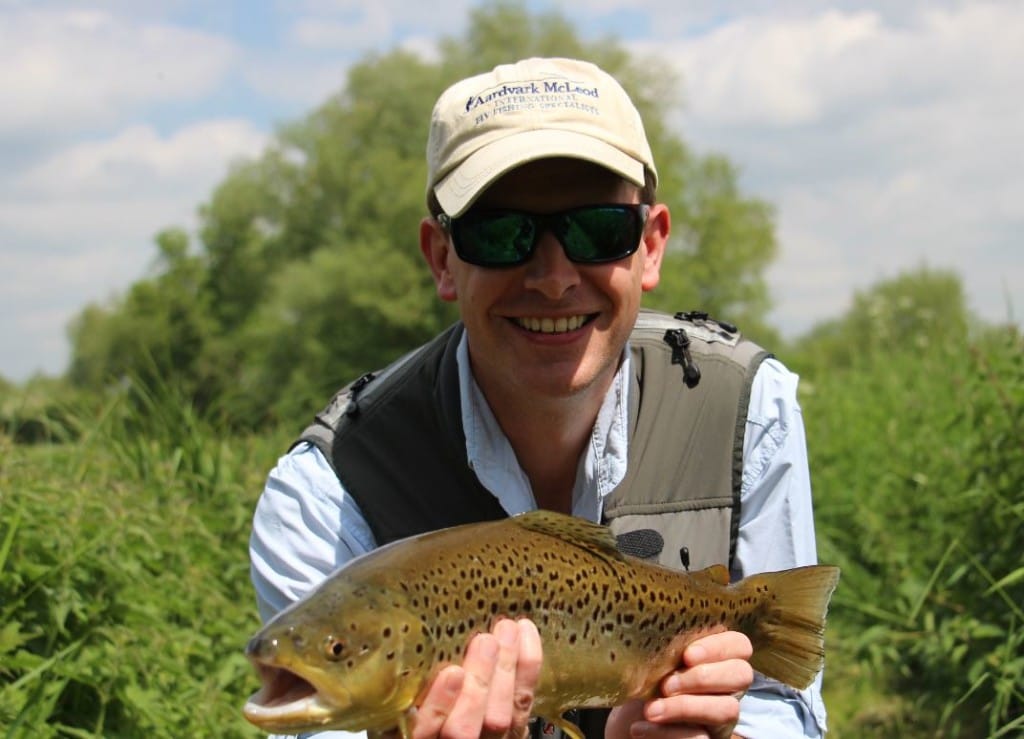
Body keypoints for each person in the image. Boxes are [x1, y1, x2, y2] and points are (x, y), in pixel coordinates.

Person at [250, 57, 826, 739]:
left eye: (598, 230)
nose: (553, 279)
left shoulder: (745, 407)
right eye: (501, 233)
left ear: (649, 245)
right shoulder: (328, 487)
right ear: (441, 257)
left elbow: (787, 709)